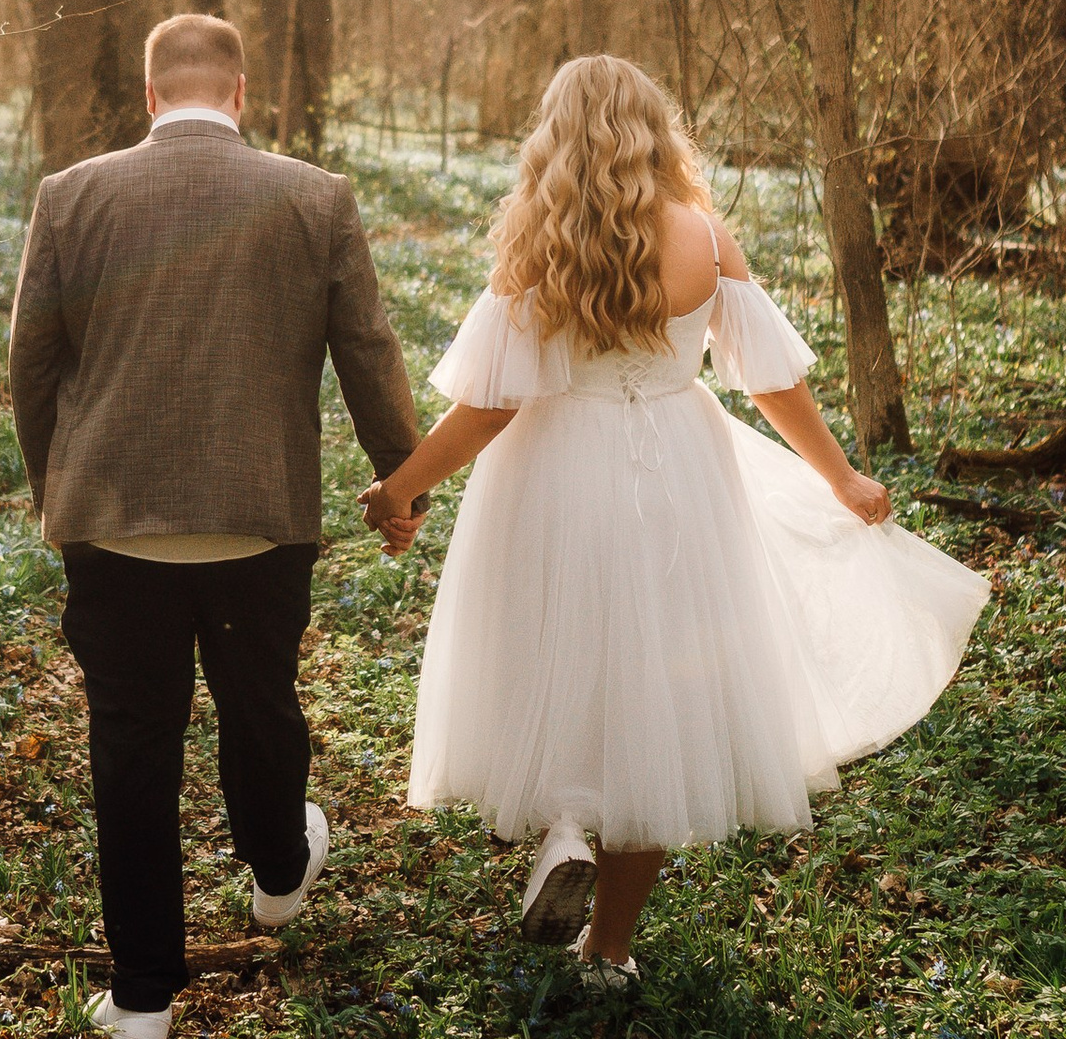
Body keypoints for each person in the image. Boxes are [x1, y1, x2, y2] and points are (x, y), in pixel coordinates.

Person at [362, 54, 986, 986]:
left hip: (553, 473)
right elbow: (772, 378)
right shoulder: (701, 234)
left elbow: (488, 410)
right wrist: (843, 477)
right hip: (677, 473)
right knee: (659, 685)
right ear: (657, 130)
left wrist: (405, 486)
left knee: (557, 653)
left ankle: (567, 825)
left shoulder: (538, 246)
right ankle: (608, 951)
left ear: (554, 136)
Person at [8, 10, 419, 1039]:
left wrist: (54, 488)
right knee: (260, 708)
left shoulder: (70, 196)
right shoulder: (314, 197)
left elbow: (32, 364)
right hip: (257, 519)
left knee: (131, 752)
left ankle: (143, 1004)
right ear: (240, 93)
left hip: (113, 524)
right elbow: (366, 350)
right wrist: (399, 480)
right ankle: (279, 872)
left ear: (151, 98)